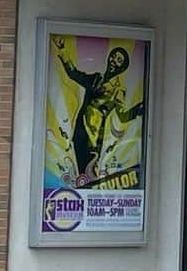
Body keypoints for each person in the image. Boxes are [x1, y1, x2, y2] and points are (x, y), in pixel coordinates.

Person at [60, 43, 144, 183]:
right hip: (79, 133)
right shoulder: (96, 78)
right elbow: (73, 73)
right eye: (113, 57)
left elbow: (122, 116)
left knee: (89, 175)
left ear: (122, 68)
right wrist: (63, 51)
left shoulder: (118, 90)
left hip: (92, 139)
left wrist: (137, 110)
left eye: (119, 61)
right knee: (82, 174)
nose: (114, 61)